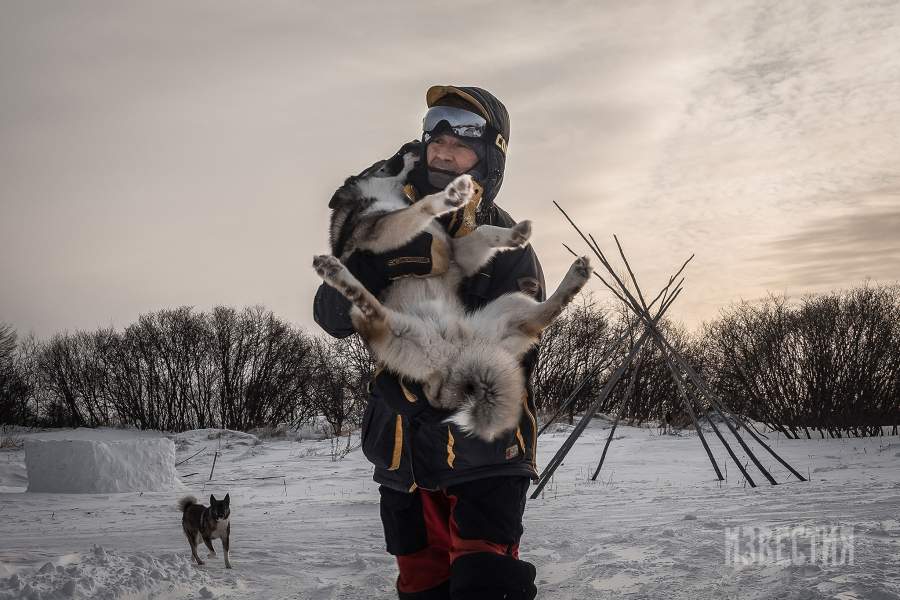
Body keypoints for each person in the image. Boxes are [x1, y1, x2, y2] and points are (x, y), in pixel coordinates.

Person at [314, 85, 543, 600]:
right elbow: (330, 318)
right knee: (423, 590)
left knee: (486, 586)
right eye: (436, 140)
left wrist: (428, 388)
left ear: (489, 159)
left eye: (461, 144)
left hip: (484, 457)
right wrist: (369, 264)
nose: (443, 152)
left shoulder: (508, 247)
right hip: (402, 459)